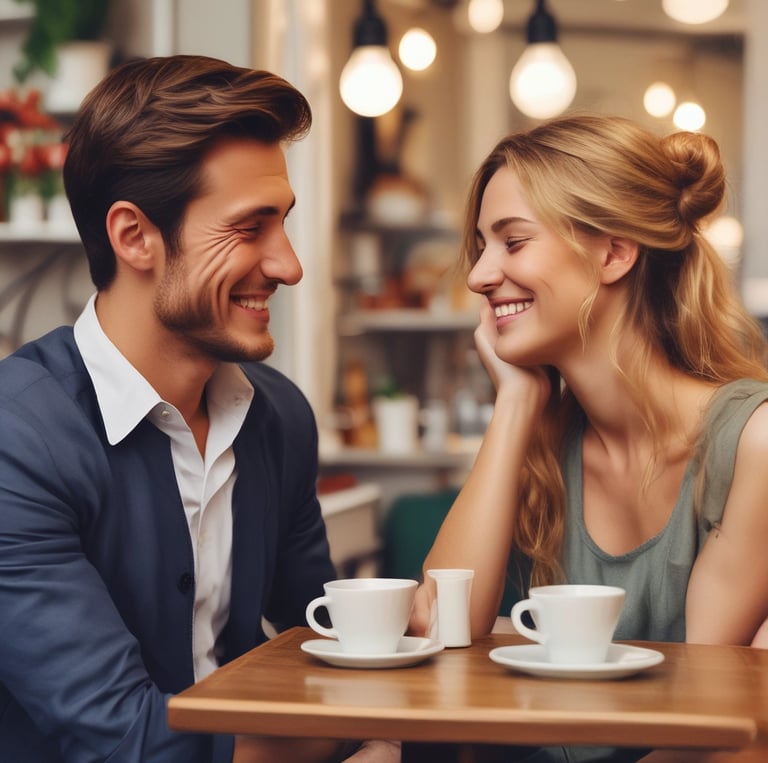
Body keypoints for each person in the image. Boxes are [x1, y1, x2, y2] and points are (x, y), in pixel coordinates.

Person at [0, 55, 397, 763]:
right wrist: (359, 734)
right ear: (134, 237)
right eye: (251, 228)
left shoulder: (278, 416)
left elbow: (330, 644)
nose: (289, 264)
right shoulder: (18, 438)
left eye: (283, 223)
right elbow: (127, 738)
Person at [410, 113, 768, 762]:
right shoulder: (542, 438)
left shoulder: (753, 444)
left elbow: (706, 727)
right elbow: (438, 629)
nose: (479, 276)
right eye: (482, 246)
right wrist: (515, 404)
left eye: (512, 242)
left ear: (614, 252)